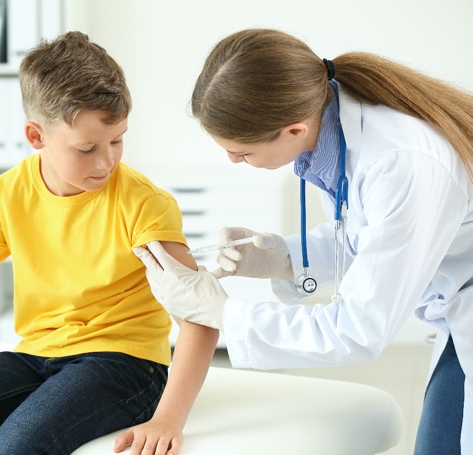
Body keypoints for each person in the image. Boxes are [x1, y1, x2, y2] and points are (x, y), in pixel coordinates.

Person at [0, 31, 218, 455]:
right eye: (87, 148)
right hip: (35, 355)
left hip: (125, 362)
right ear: (36, 136)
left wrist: (167, 419)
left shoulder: (146, 204)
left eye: (117, 141)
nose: (106, 162)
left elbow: (198, 316)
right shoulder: (9, 193)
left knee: (16, 447)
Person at [134, 28, 473, 455]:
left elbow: (356, 331)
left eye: (241, 153)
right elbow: (368, 237)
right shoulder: (332, 132)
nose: (232, 162)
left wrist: (225, 314)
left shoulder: (401, 162)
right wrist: (281, 258)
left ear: (293, 130)